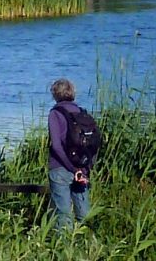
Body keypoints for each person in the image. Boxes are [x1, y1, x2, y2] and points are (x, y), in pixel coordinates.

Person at [46, 78, 96, 232]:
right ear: (73, 93)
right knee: (84, 214)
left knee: (63, 214)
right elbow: (93, 143)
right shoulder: (82, 113)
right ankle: (87, 241)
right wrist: (84, 168)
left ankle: (64, 244)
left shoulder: (55, 113)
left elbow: (56, 145)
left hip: (60, 168)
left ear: (55, 94)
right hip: (82, 167)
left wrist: (71, 169)